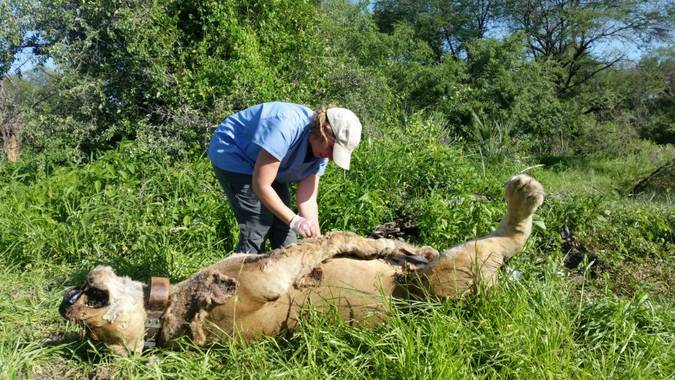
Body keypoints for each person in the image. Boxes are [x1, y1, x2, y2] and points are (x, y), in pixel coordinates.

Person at [208, 102, 362, 253]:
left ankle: (285, 275)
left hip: (268, 164)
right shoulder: (286, 127)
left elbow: (307, 199)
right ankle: (241, 274)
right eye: (331, 149)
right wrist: (295, 220)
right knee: (258, 222)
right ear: (323, 131)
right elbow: (261, 185)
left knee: (285, 227)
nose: (330, 157)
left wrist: (316, 239)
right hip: (234, 152)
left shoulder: (321, 154)